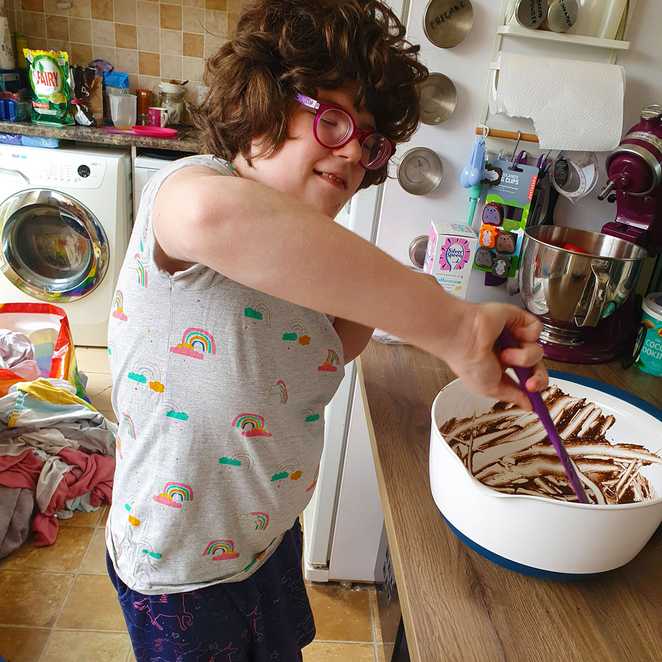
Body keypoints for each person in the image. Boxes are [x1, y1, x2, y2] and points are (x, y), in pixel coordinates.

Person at [105, 0, 547, 659]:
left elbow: (325, 352)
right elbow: (209, 216)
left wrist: (404, 300)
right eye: (332, 120)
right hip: (180, 566)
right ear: (261, 103)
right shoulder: (192, 188)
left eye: (370, 143)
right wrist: (452, 327)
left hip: (267, 538)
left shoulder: (320, 260)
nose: (352, 154)